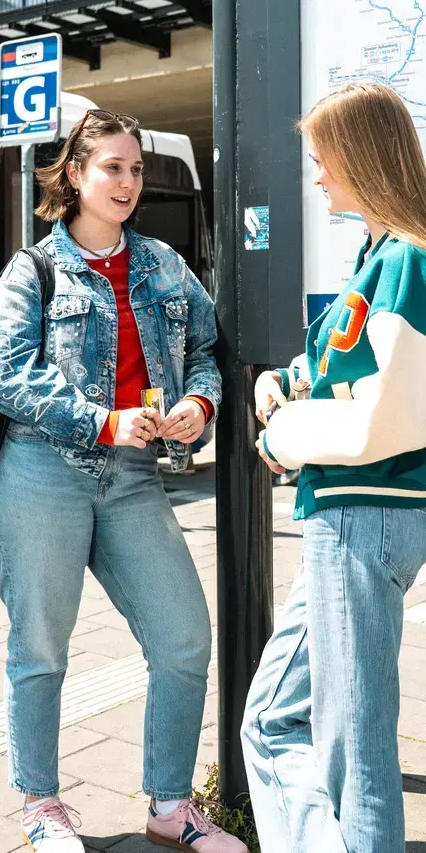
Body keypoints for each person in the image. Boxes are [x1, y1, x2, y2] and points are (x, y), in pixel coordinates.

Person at [0, 110, 247, 852]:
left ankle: (170, 805)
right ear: (74, 175)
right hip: (41, 471)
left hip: (133, 478)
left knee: (185, 637)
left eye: (135, 169)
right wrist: (101, 419)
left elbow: (203, 349)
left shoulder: (164, 264)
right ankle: (42, 805)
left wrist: (198, 403)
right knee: (41, 647)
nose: (128, 182)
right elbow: (4, 375)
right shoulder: (33, 269)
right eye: (112, 168)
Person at [241, 82, 426, 853]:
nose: (316, 177)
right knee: (274, 720)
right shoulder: (382, 254)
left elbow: (392, 417)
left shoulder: (406, 259)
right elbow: (360, 378)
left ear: (362, 157)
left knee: (354, 750)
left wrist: (287, 431)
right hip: (349, 515)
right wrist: (289, 379)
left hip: (363, 513)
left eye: (323, 160)